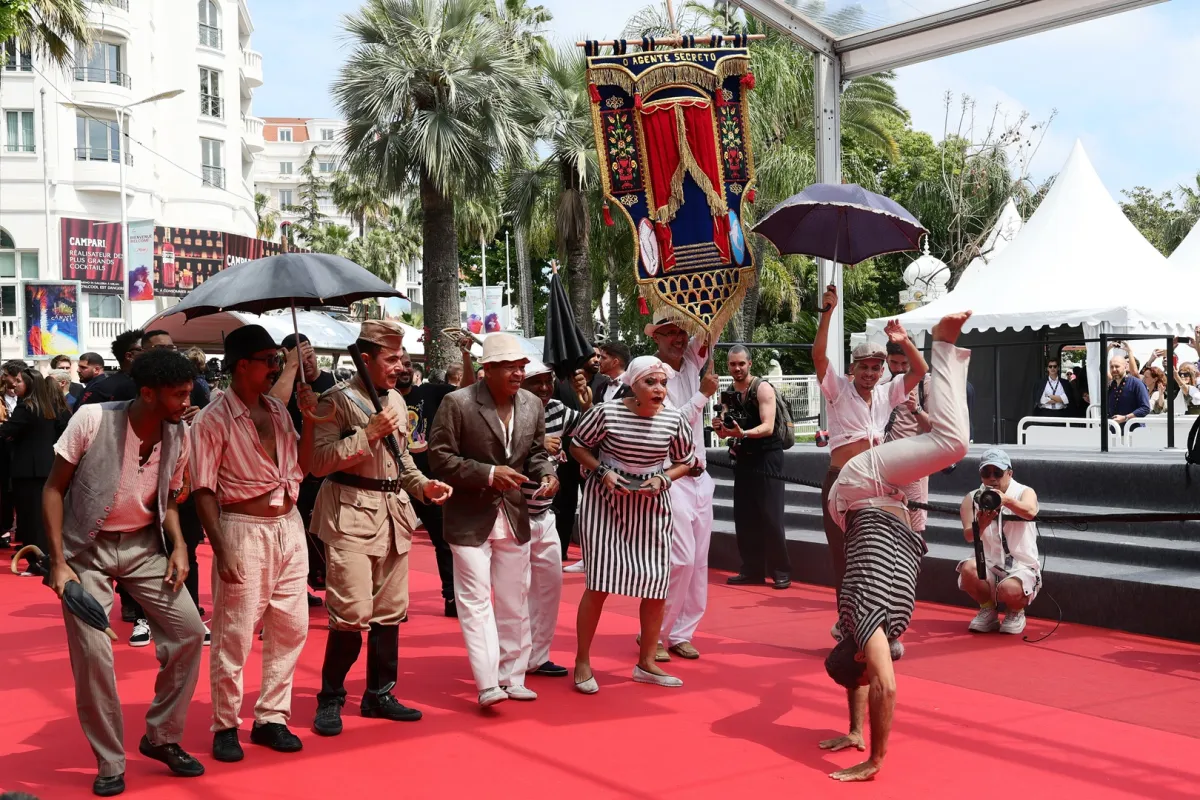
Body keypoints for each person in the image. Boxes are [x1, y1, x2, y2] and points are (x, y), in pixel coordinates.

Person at [41, 348, 206, 797]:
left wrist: (179, 546)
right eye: (178, 395)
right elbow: (53, 489)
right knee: (94, 655)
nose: (187, 402)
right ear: (148, 393)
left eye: (188, 393)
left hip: (144, 547)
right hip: (84, 550)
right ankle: (110, 761)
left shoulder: (181, 433)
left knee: (190, 633)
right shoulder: (92, 419)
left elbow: (170, 498)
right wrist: (58, 563)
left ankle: (162, 736)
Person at [819, 311, 972, 783]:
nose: (875, 671)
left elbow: (883, 684)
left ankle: (944, 344)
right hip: (880, 499)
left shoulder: (865, 624)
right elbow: (857, 670)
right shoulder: (864, 630)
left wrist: (876, 759)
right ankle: (853, 730)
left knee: (952, 444)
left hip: (858, 483)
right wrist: (855, 731)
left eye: (875, 365)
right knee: (944, 448)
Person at [303, 320, 454, 736]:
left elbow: (402, 461)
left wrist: (424, 486)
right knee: (351, 613)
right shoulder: (335, 402)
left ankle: (379, 694)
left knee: (390, 612)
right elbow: (317, 464)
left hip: (394, 516)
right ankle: (331, 697)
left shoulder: (396, 401)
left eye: (401, 358)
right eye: (391, 359)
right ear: (365, 359)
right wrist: (367, 434)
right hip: (349, 516)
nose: (400, 367)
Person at [190, 325, 308, 762]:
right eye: (270, 360)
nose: (277, 367)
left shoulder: (279, 411)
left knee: (291, 627)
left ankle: (271, 717)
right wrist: (221, 548)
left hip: (289, 525)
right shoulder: (211, 419)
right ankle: (225, 724)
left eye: (278, 360)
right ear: (243, 365)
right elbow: (203, 489)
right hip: (242, 528)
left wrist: (312, 421)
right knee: (234, 633)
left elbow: (304, 465)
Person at [428, 333, 558, 708]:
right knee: (474, 601)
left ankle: (512, 678)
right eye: (510, 367)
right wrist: (488, 473)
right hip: (468, 517)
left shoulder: (532, 404)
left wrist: (547, 473)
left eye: (521, 367)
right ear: (488, 369)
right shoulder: (458, 402)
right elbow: (439, 458)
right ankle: (488, 684)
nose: (519, 373)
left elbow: (536, 453)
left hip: (514, 515)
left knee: (514, 600)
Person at [569, 356, 699, 692]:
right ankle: (582, 661)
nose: (659, 389)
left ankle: (646, 662)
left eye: (663, 383)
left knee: (656, 583)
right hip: (606, 503)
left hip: (652, 506)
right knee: (599, 583)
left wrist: (664, 479)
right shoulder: (606, 412)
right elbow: (577, 446)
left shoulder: (674, 419)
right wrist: (603, 471)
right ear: (633, 384)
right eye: (650, 382)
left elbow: (685, 461)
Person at [813, 285, 927, 615]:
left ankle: (875, 620)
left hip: (877, 484)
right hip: (842, 480)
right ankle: (848, 623)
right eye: (864, 367)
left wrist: (903, 340)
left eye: (876, 367)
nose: (870, 373)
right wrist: (828, 313)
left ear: (883, 370)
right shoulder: (837, 389)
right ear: (853, 368)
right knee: (843, 556)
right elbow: (819, 357)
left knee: (874, 556)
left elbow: (920, 370)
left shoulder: (886, 393)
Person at [644, 311, 721, 662]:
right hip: (672, 479)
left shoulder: (691, 362)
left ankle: (681, 633)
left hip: (700, 478)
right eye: (670, 332)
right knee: (680, 560)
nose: (678, 338)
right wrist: (703, 395)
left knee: (699, 562)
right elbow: (671, 425)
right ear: (656, 337)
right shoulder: (652, 375)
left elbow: (712, 328)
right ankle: (655, 633)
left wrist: (726, 293)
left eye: (682, 332)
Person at [394, 341, 477, 616]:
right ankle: (391, 603)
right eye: (399, 364)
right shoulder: (379, 399)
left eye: (408, 364)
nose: (404, 369)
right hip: (394, 484)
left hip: (431, 482)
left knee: (444, 542)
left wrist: (466, 355)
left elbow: (468, 390)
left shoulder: (430, 392)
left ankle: (452, 597)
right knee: (392, 545)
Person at [520, 360, 591, 678]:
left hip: (545, 513)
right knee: (516, 592)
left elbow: (591, 433)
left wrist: (587, 404)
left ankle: (537, 657)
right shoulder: (507, 409)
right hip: (512, 515)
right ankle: (512, 658)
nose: (545, 388)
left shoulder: (560, 410)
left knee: (550, 587)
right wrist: (536, 444)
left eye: (548, 381)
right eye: (536, 382)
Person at [715, 345, 790, 589]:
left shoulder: (762, 388)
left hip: (767, 455)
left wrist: (743, 433)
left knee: (771, 515)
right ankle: (752, 570)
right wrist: (720, 428)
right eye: (732, 364)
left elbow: (768, 427)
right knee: (744, 516)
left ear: (750, 364)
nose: (737, 368)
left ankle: (780, 571)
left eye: (741, 364)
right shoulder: (728, 393)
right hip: (744, 456)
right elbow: (725, 429)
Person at [272, 333, 337, 602]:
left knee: (330, 535)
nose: (306, 363)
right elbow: (272, 408)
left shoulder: (334, 382)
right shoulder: (283, 387)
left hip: (328, 468)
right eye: (299, 359)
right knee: (297, 537)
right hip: (294, 471)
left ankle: (336, 589)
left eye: (309, 356)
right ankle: (298, 587)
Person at [957, 449, 1041, 635]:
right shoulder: (972, 498)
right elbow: (969, 536)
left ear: (1009, 473)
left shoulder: (1024, 492)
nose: (992, 478)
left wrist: (1006, 501)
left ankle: (1016, 612)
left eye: (998, 472)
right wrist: (981, 526)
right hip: (988, 562)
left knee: (1009, 589)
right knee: (968, 568)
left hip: (1020, 565)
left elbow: (1030, 512)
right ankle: (988, 610)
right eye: (986, 473)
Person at [1, 367, 70, 575]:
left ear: (29, 384)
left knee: (30, 518)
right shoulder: (50, 406)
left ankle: (37, 562)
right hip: (48, 466)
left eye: (19, 381)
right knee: (44, 517)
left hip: (27, 469)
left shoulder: (26, 407)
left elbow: (7, 431)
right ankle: (47, 559)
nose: (14, 385)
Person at [883, 340, 934, 555]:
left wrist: (916, 409)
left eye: (905, 363)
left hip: (914, 465)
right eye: (894, 363)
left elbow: (934, 428)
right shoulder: (883, 383)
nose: (899, 368)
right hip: (884, 465)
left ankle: (913, 570)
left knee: (914, 529)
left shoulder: (926, 384)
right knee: (886, 526)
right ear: (887, 360)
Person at [76, 330, 144, 409]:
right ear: (129, 356)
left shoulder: (151, 383)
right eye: (144, 348)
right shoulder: (102, 388)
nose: (78, 370)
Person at [1106, 354, 1150, 426]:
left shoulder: (1137, 383)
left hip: (1134, 430)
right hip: (1114, 429)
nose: (1114, 369)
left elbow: (1145, 408)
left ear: (1126, 367)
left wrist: (1125, 418)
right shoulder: (1111, 385)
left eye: (1117, 366)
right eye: (1111, 367)